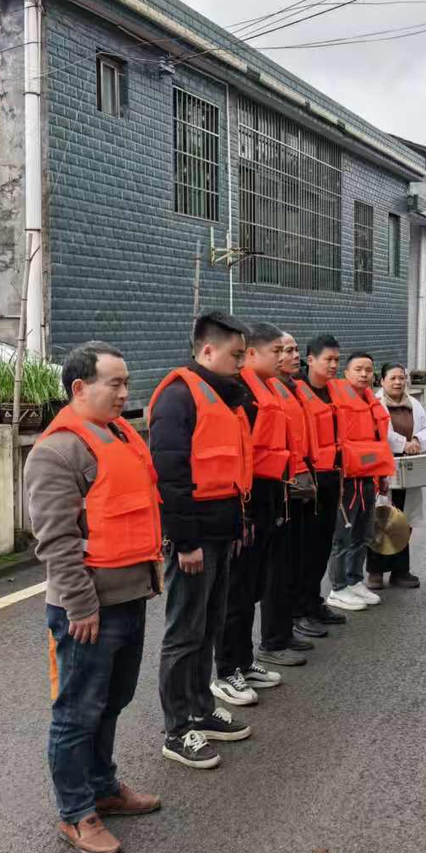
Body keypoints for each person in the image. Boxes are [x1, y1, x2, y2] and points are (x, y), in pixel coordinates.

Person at [26, 341, 162, 853]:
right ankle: (75, 812)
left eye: (127, 383)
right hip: (87, 609)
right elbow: (57, 541)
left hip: (130, 595)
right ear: (80, 387)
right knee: (77, 712)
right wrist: (81, 605)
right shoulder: (57, 451)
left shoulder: (121, 434)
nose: (125, 393)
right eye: (115, 384)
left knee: (113, 700)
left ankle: (103, 787)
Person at [149, 311, 256, 771]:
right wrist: (186, 541)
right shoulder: (179, 396)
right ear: (207, 350)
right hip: (194, 538)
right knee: (184, 632)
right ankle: (177, 729)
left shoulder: (224, 396)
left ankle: (200, 709)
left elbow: (228, 469)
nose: (241, 364)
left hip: (221, 531)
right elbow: (170, 475)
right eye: (236, 355)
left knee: (209, 626)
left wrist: (238, 523)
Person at [215, 321, 302, 709]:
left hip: (270, 502)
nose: (283, 358)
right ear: (251, 354)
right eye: (275, 352)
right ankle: (226, 670)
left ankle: (244, 660)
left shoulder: (267, 390)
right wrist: (243, 513)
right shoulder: (240, 394)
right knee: (236, 593)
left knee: (252, 588)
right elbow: (238, 457)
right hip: (247, 507)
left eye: (285, 351)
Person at [328, 351, 395, 609]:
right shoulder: (335, 398)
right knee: (341, 536)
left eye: (368, 370)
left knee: (363, 534)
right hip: (346, 479)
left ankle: (354, 580)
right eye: (358, 369)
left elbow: (380, 443)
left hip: (368, 477)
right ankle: (337, 587)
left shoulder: (372, 401)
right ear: (346, 373)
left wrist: (382, 476)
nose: (364, 374)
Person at [293, 335, 353, 622]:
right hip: (309, 481)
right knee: (304, 550)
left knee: (322, 547)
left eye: (337, 360)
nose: (333, 365)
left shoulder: (334, 391)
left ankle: (313, 602)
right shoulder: (296, 392)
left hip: (332, 477)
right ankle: (299, 609)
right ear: (310, 360)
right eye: (328, 359)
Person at [272, 332, 325, 644]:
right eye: (287, 350)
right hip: (286, 487)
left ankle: (302, 611)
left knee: (305, 554)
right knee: (284, 564)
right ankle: (288, 622)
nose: (295, 356)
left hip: (304, 481)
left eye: (294, 350)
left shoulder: (293, 387)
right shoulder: (270, 390)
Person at [366, 362, 426, 590]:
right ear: (382, 381)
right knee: (381, 517)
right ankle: (375, 572)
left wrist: (417, 441)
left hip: (409, 466)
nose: (398, 382)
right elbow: (377, 431)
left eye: (401, 378)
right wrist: (403, 443)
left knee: (404, 520)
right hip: (384, 465)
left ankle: (400, 571)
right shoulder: (374, 403)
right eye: (392, 378)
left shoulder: (413, 403)